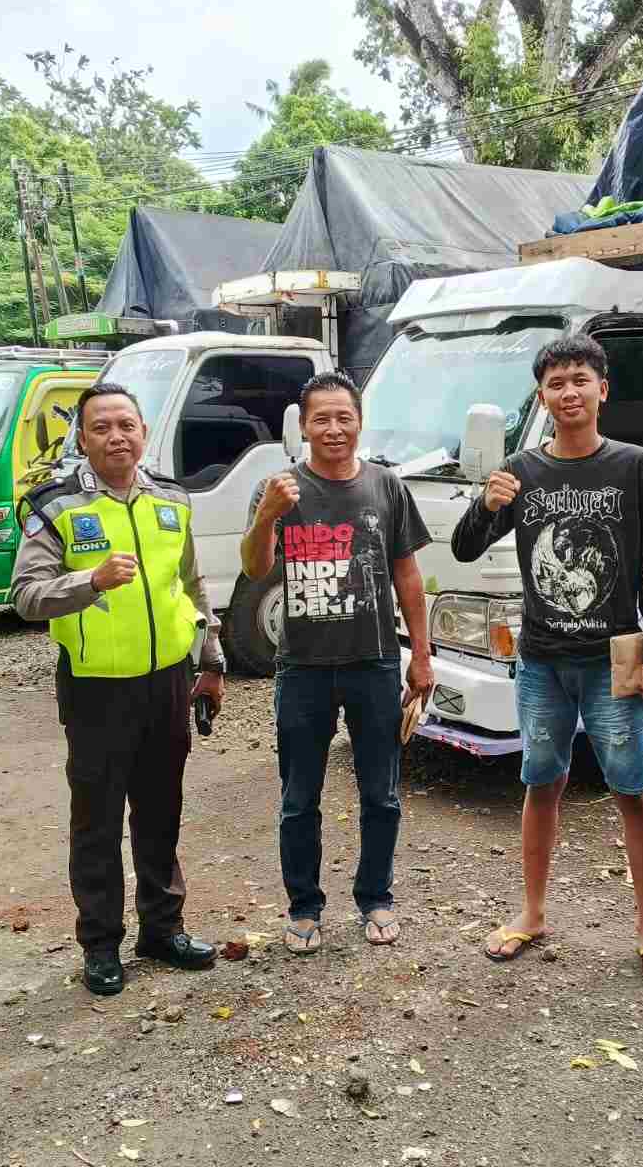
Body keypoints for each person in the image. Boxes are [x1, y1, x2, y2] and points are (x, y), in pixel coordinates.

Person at [450, 333, 643, 985]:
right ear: (543, 397)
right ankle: (532, 912)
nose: (569, 392)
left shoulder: (633, 465)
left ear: (602, 389)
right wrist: (485, 503)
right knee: (541, 782)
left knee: (632, 789)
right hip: (543, 658)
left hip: (614, 655)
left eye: (581, 379)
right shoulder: (522, 471)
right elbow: (467, 549)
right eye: (556, 383)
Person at [10, 381, 226, 997]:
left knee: (161, 815)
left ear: (143, 433)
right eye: (101, 427)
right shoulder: (56, 507)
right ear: (82, 438)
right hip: (96, 690)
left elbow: (191, 584)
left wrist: (210, 659)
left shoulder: (171, 500)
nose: (116, 436)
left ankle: (162, 929)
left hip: (165, 685)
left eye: (126, 425)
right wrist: (91, 581)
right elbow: (25, 596)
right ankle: (101, 944)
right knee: (98, 823)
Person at [238, 372, 434, 954]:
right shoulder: (279, 489)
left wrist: (421, 655)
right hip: (302, 668)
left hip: (374, 663)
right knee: (300, 796)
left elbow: (407, 575)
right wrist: (268, 515)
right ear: (302, 426)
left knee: (382, 793)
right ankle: (304, 905)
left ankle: (376, 896)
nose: (332, 429)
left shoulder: (386, 487)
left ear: (359, 421)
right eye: (320, 418)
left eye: (342, 417)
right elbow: (253, 569)